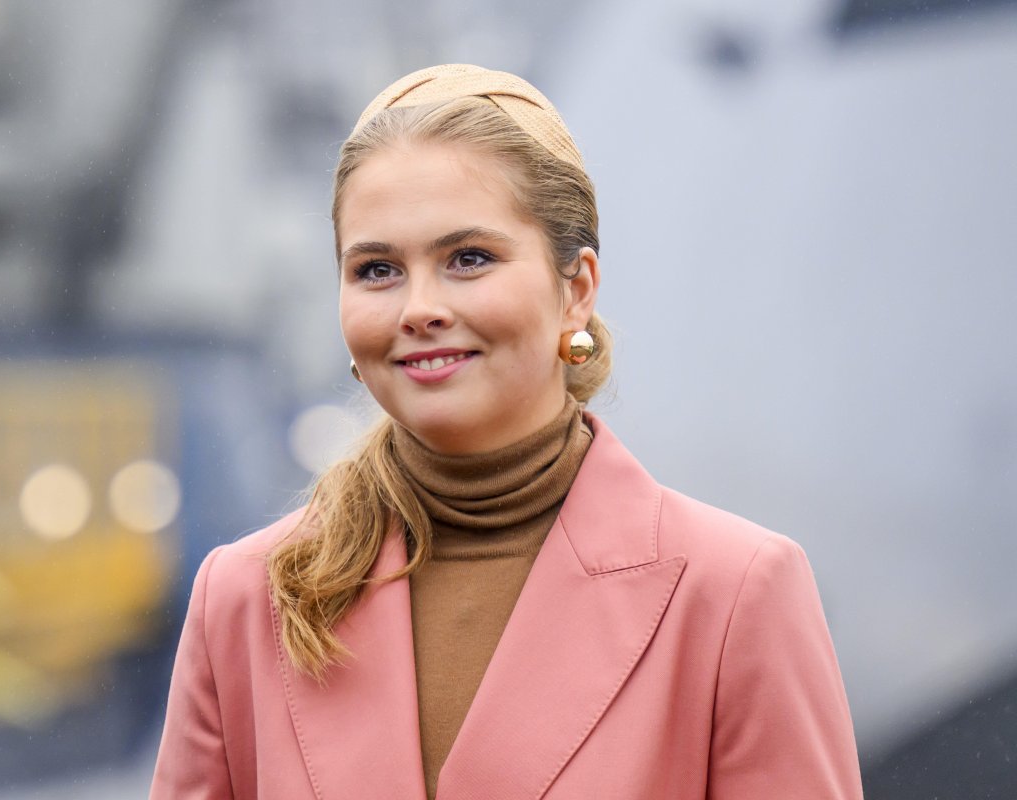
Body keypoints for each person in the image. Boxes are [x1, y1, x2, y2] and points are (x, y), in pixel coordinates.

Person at [150, 64, 863, 799]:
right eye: (376, 270)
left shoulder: (736, 594)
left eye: (469, 259)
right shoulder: (242, 601)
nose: (418, 307)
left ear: (576, 290)